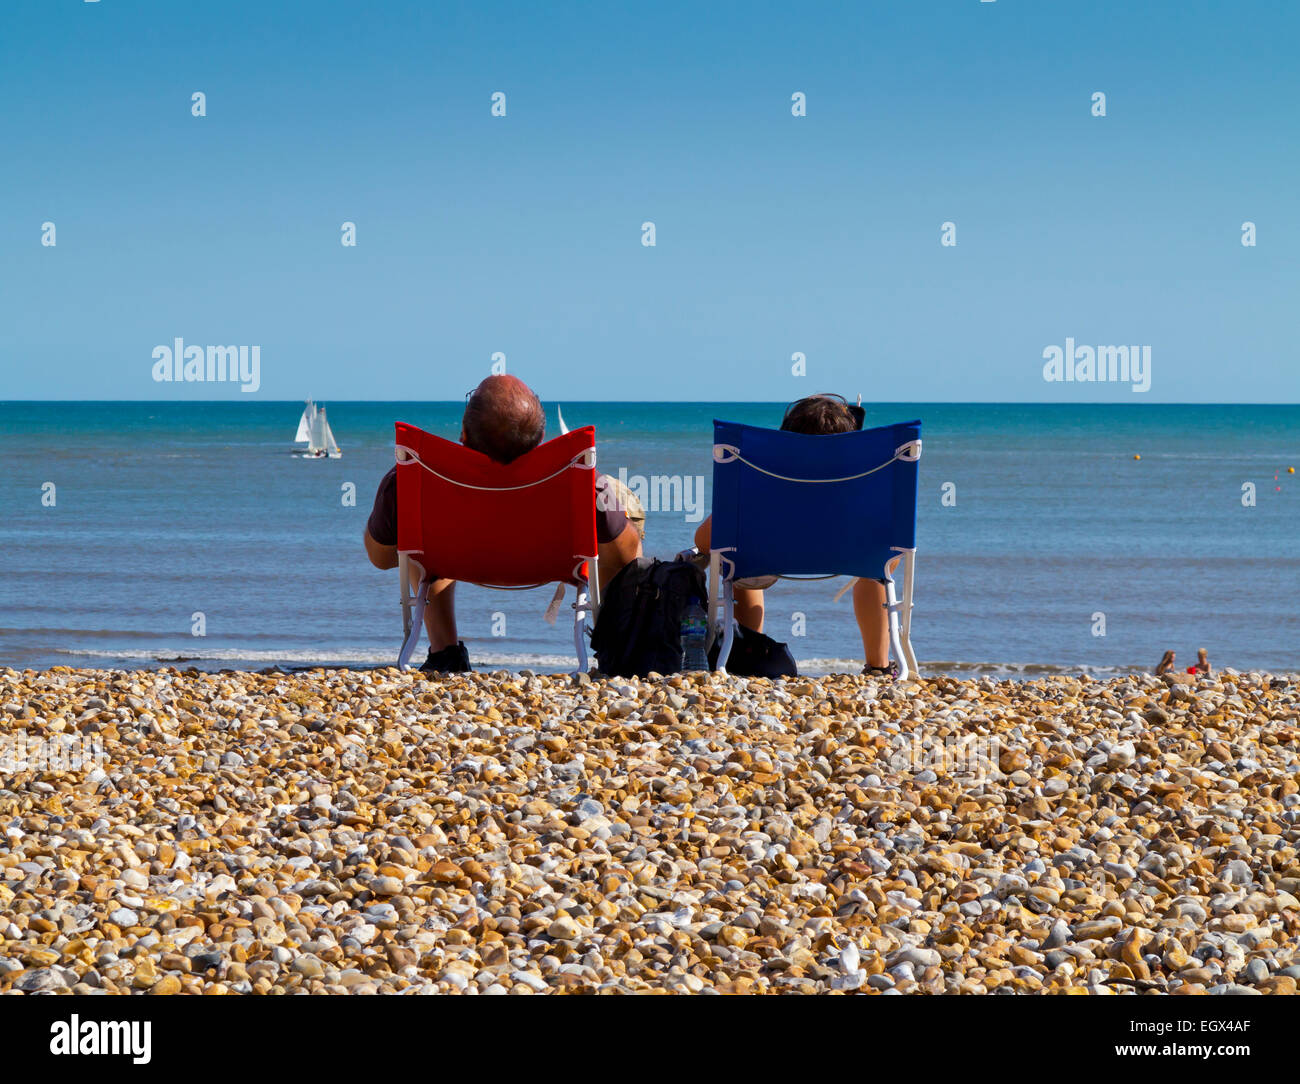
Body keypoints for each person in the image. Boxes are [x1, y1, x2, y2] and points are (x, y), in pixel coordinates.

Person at [363, 375, 643, 672]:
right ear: (540, 435)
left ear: (463, 434)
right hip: (550, 565)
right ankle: (617, 650)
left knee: (419, 549)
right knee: (619, 533)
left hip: (454, 560)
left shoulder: (411, 479)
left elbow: (380, 557)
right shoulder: (587, 483)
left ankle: (445, 654)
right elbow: (628, 554)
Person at [692, 393, 896, 678]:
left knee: (735, 560)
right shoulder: (861, 484)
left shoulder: (759, 479)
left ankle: (748, 654)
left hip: (771, 556)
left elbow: (704, 541)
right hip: (849, 555)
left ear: (784, 441)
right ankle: (878, 665)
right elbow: (894, 543)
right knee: (882, 566)